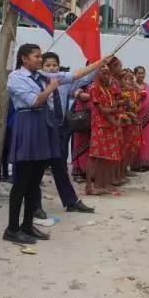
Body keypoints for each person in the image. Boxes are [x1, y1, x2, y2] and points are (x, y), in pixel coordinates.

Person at [4, 44, 106, 244]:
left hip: (44, 126)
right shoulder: (16, 77)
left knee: (34, 180)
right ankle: (12, 228)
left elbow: (74, 76)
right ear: (24, 58)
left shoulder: (42, 76)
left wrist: (99, 63)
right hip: (28, 125)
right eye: (36, 56)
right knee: (22, 180)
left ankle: (27, 225)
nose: (40, 60)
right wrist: (50, 88)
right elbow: (34, 102)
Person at [31, 52, 96, 218]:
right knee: (37, 168)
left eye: (55, 65)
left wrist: (98, 64)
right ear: (41, 67)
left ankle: (71, 201)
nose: (52, 68)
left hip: (60, 128)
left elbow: (85, 79)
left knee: (60, 165)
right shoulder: (37, 82)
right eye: (48, 65)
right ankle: (34, 205)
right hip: (44, 127)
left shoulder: (64, 82)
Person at [87, 65, 122, 195]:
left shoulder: (108, 87)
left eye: (108, 73)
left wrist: (112, 112)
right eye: (104, 73)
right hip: (99, 125)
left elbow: (112, 106)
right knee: (94, 155)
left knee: (105, 157)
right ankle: (89, 187)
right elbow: (102, 110)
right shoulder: (94, 87)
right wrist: (113, 113)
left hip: (109, 125)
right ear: (98, 73)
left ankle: (100, 184)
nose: (107, 76)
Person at [134, 66, 149, 171]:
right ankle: (138, 164)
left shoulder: (148, 86)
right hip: (138, 117)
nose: (141, 75)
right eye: (139, 73)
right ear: (135, 74)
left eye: (143, 73)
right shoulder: (133, 86)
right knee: (140, 140)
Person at [118, 69, 142, 180]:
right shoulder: (119, 92)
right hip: (123, 124)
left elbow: (138, 106)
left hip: (134, 123)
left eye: (131, 79)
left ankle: (125, 169)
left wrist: (135, 108)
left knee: (133, 146)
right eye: (125, 78)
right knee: (122, 147)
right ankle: (119, 172)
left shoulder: (135, 91)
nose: (128, 81)